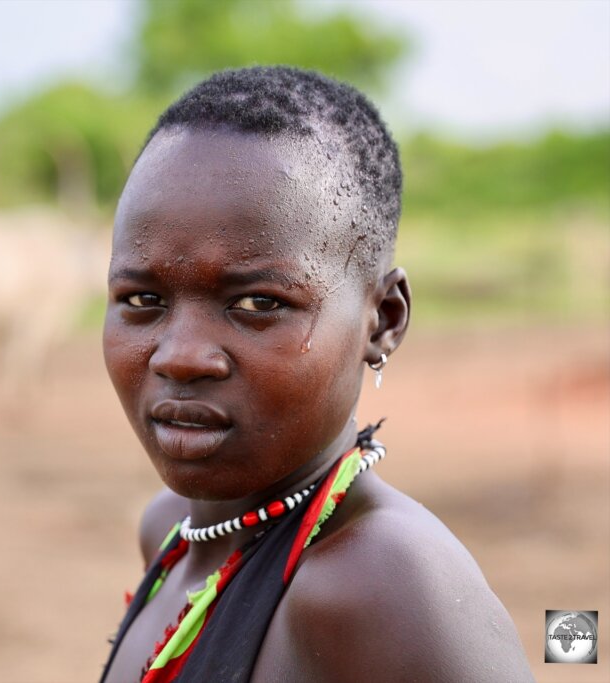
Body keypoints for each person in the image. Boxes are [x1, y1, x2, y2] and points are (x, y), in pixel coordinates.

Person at [100, 66, 532, 683]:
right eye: (143, 300)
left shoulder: (382, 583)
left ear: (382, 320)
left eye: (258, 304)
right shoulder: (169, 530)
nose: (181, 356)